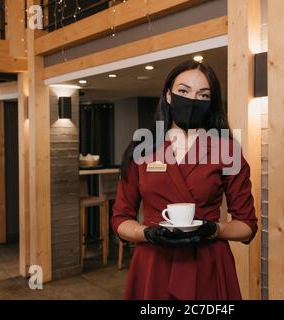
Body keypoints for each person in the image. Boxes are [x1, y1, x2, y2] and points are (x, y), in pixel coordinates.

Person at [112, 59, 258, 300]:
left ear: (211, 103)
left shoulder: (226, 150)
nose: (192, 100)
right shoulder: (143, 148)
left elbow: (246, 227)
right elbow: (120, 219)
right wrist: (147, 234)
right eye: (183, 91)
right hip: (153, 265)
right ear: (168, 95)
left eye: (203, 95)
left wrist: (215, 229)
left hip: (208, 265)